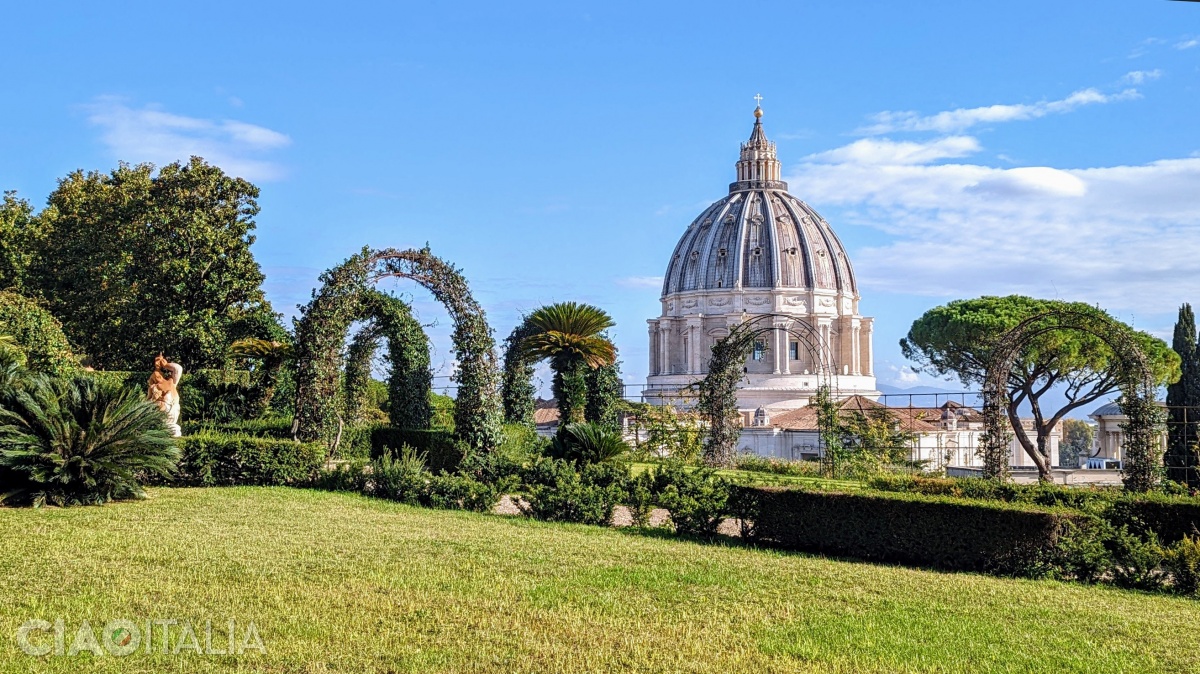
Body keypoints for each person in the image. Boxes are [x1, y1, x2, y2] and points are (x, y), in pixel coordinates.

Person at [147, 354, 184, 437]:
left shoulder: (171, 382)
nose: (157, 375)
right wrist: (154, 398)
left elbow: (178, 369)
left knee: (174, 430)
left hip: (172, 412)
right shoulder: (153, 387)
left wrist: (166, 365)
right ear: (152, 379)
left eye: (159, 373)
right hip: (162, 416)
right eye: (155, 375)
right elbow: (147, 402)